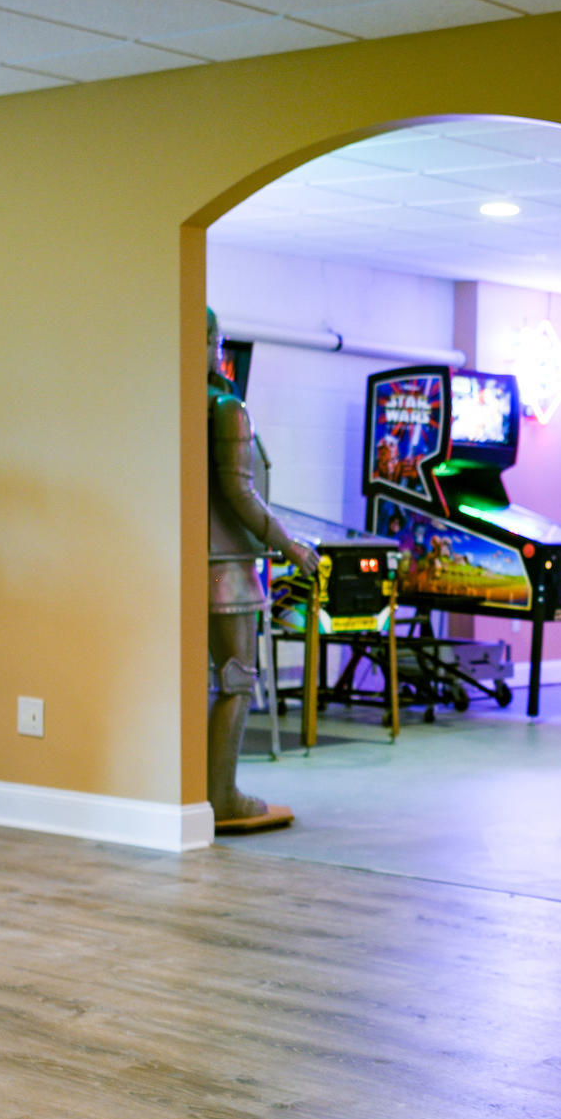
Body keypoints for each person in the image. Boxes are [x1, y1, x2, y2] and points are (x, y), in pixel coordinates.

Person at [207, 309, 318, 832]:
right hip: (226, 566)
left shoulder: (167, 402)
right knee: (237, 681)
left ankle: (196, 792)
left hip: (177, 564)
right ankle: (221, 795)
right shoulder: (227, 407)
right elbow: (240, 493)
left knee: (197, 684)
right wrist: (290, 546)